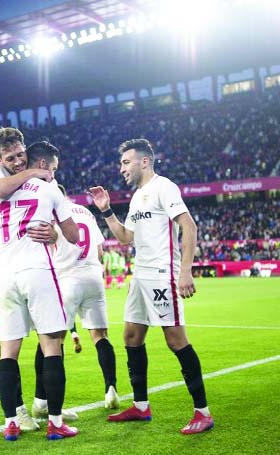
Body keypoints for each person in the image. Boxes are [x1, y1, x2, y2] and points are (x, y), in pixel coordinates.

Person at [89, 138, 214, 435]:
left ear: (144, 161)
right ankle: (141, 406)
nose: (122, 169)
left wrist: (185, 272)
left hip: (162, 274)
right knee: (131, 337)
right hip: (140, 275)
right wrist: (106, 211)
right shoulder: (137, 197)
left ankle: (203, 412)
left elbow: (189, 226)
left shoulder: (164, 187)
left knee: (175, 340)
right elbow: (125, 238)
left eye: (126, 162)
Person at [0, 140, 81, 441]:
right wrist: (54, 230)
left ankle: (11, 422)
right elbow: (74, 234)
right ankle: (55, 423)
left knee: (8, 352)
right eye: (51, 168)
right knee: (52, 345)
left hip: (4, 275)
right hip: (37, 270)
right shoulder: (50, 189)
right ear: (43, 166)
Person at [53, 184, 119, 409]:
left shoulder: (54, 214)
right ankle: (111, 389)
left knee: (55, 340)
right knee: (100, 335)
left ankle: (50, 403)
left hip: (67, 278)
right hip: (93, 277)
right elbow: (100, 251)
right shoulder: (86, 212)